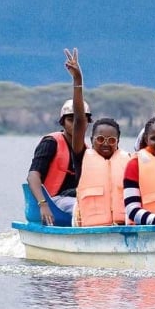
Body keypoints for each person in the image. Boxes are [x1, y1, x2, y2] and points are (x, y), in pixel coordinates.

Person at [26, 49, 88, 225]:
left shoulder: (85, 149)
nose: (74, 123)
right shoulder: (51, 143)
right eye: (69, 119)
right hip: (52, 202)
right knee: (83, 207)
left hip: (75, 199)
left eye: (78, 120)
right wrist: (43, 204)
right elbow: (32, 176)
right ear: (62, 122)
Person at [74, 117, 129, 226]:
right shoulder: (81, 158)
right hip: (90, 227)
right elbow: (79, 124)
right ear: (91, 140)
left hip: (123, 225)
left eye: (111, 140)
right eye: (100, 139)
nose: (105, 144)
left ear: (118, 142)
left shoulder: (128, 160)